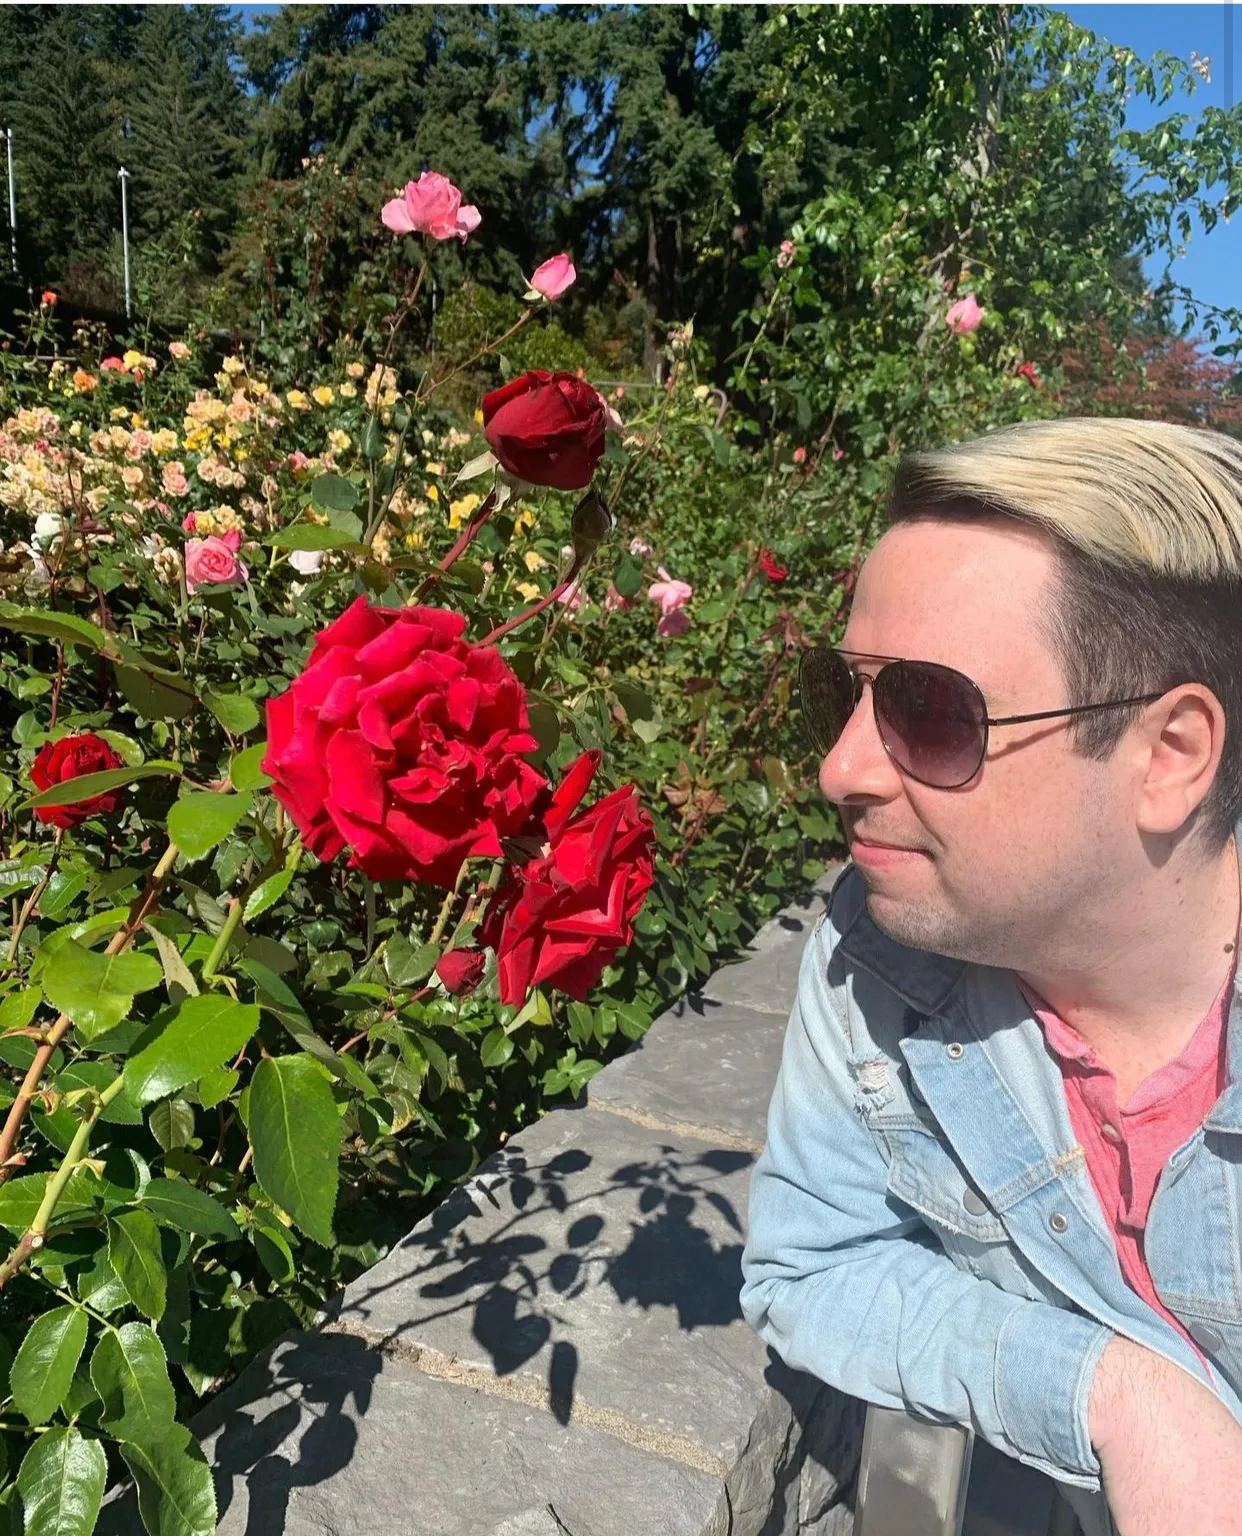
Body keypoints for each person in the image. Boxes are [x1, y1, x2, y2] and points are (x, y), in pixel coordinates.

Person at [738, 418, 1242, 1536]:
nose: (840, 769)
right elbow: (810, 1263)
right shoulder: (880, 955)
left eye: (930, 710)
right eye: (847, 692)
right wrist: (1118, 1398)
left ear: (1168, 757)